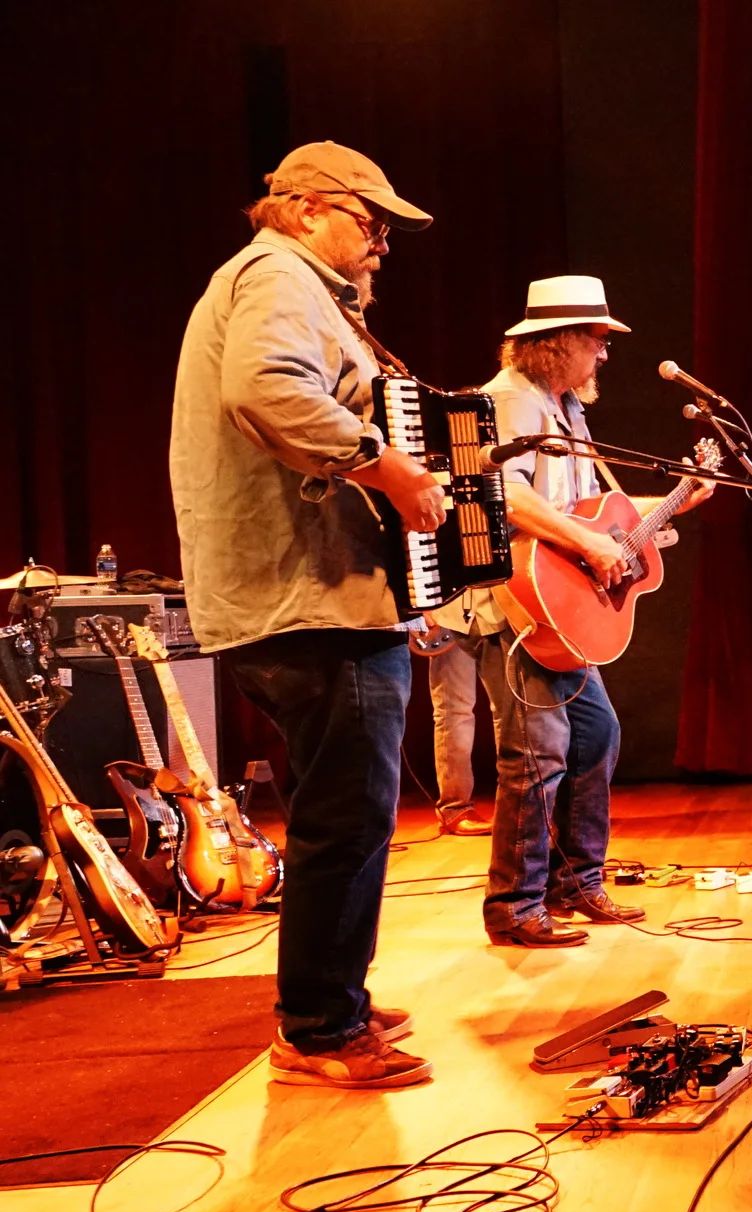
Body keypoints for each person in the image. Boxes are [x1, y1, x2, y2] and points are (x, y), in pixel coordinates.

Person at [171, 141, 445, 1087]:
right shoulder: (278, 275)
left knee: (349, 812)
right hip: (306, 604)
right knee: (345, 816)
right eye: (369, 223)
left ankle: (334, 995)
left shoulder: (296, 285)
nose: (380, 244)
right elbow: (265, 388)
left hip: (322, 598)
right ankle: (319, 1028)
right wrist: (388, 465)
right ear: (303, 210)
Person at [456, 276, 708, 949]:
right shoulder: (509, 400)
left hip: (558, 614)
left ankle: (573, 884)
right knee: (537, 755)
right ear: (557, 341)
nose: (604, 354)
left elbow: (599, 519)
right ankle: (514, 906)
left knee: (595, 738)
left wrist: (676, 503)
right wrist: (586, 543)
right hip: (515, 608)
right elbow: (493, 490)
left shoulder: (567, 410)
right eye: (596, 341)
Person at [421, 630, 491, 835]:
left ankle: (520, 808)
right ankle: (455, 808)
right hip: (450, 619)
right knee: (454, 709)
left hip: (495, 610)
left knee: (507, 710)